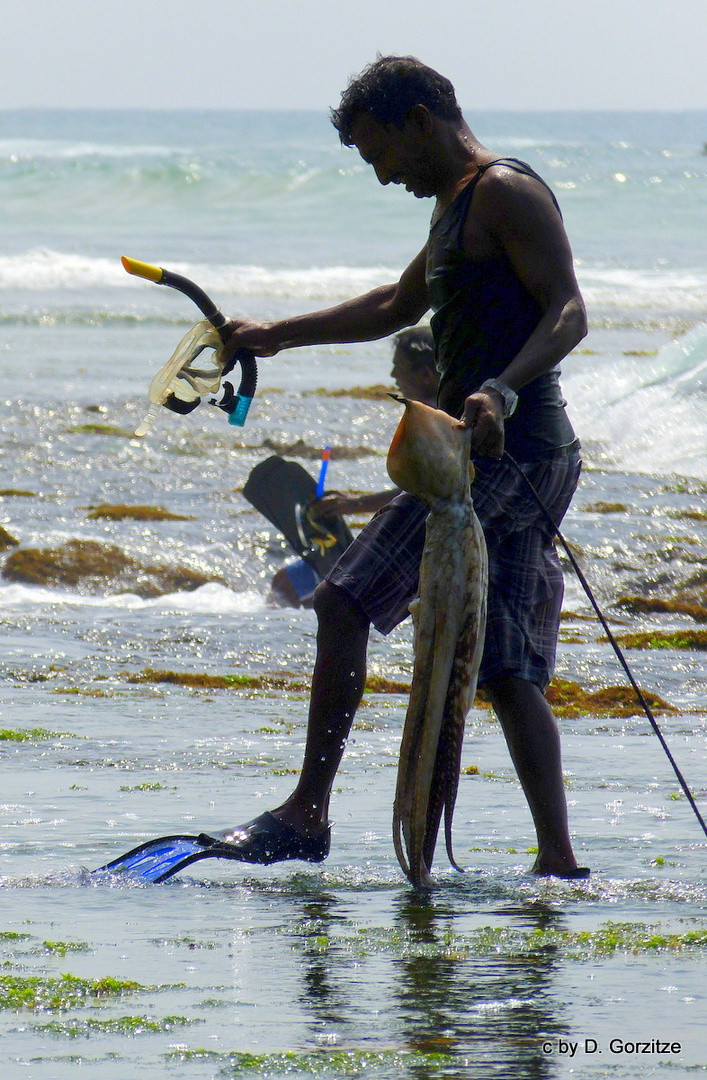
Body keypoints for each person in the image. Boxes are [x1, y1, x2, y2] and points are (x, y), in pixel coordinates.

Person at [221, 56, 588, 878]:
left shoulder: (503, 192)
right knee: (504, 663)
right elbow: (395, 307)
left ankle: (305, 813)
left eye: (377, 152)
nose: (381, 175)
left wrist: (499, 386)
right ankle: (558, 862)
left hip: (501, 456)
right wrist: (276, 334)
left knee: (344, 597)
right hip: (513, 457)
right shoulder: (454, 210)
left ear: (420, 120)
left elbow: (568, 309)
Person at [269, 327, 439, 608]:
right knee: (292, 584)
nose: (393, 377)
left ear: (425, 376)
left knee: (304, 588)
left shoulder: (430, 420)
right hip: (418, 541)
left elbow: (420, 492)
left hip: (414, 544)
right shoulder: (442, 414)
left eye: (398, 368)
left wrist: (354, 505)